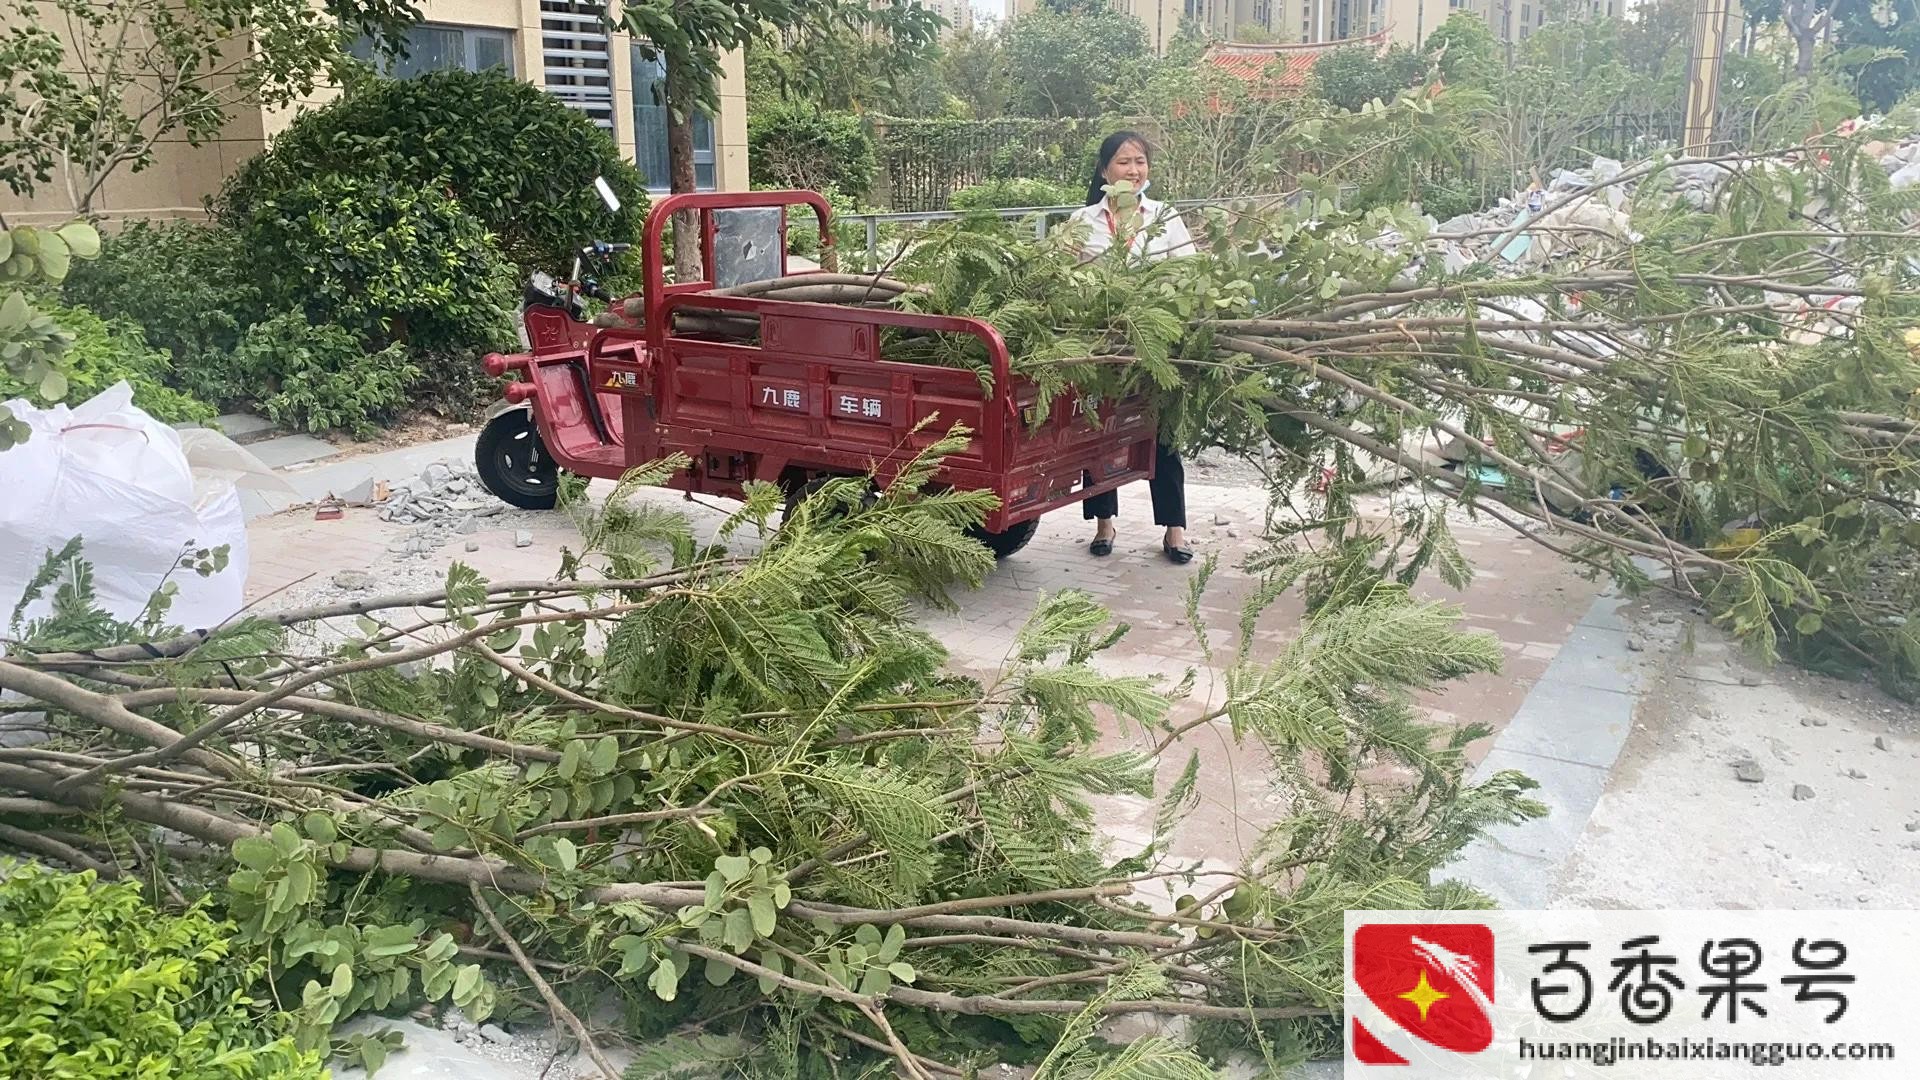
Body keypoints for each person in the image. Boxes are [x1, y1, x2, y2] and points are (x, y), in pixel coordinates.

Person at [1065, 130, 1196, 564]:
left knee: (1164, 434)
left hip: (1158, 345)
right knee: (1098, 432)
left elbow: (1190, 272)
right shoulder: (1082, 222)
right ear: (1105, 170)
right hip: (1099, 347)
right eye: (1124, 162)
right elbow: (1061, 280)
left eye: (1140, 161)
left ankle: (1175, 529)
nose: (1133, 170)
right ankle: (1105, 523)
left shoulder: (1164, 217)